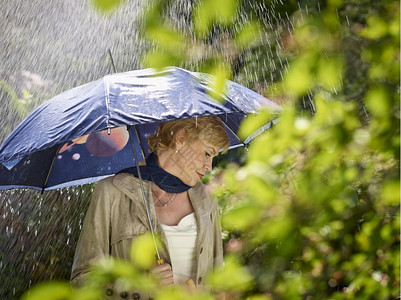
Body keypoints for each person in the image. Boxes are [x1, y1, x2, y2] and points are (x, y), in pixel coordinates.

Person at [71, 116, 230, 299]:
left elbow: (218, 282)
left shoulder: (206, 199)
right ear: (181, 138)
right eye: (207, 153)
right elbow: (82, 281)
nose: (209, 166)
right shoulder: (112, 192)